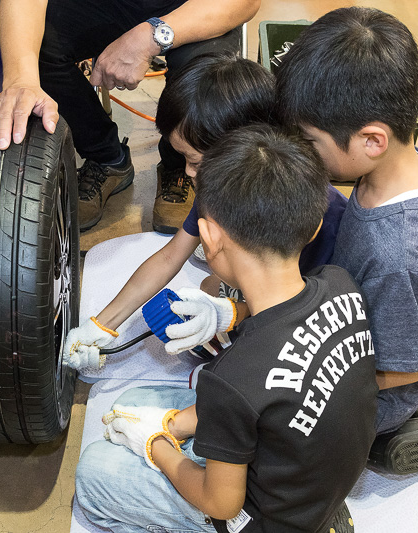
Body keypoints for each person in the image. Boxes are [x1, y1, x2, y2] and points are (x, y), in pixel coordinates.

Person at [74, 125, 378, 532]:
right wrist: (230, 315)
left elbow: (220, 503)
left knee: (94, 473)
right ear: (313, 227)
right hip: (316, 482)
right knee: (136, 402)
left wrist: (156, 445)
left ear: (209, 237)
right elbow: (267, 393)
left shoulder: (232, 378)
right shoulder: (339, 283)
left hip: (263, 520)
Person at [61, 52, 349, 370]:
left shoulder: (317, 213)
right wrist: (102, 325)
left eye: (195, 162)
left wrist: (236, 315)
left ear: (239, 149)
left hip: (303, 309)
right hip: (264, 289)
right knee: (209, 288)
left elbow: (308, 309)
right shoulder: (224, 185)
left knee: (228, 354)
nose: (188, 172)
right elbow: (170, 257)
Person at [275, 6, 418, 475]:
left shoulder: (395, 254)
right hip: (360, 323)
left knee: (277, 435)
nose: (303, 151)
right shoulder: (405, 162)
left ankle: (378, 442)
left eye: (310, 141)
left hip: (376, 387)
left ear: (372, 141)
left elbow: (414, 363)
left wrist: (316, 383)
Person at [0, 0, 260, 231]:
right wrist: (21, 80)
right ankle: (107, 159)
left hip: (192, 5)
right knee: (36, 48)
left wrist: (148, 38)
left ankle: (178, 166)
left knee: (204, 79)